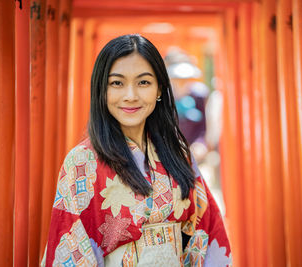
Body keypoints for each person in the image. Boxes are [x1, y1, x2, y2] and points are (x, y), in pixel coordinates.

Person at [43, 34, 231, 267]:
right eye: (117, 83)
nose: (130, 96)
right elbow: (69, 245)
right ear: (101, 90)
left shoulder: (178, 152)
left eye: (143, 82)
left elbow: (207, 229)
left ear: (160, 89)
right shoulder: (82, 162)